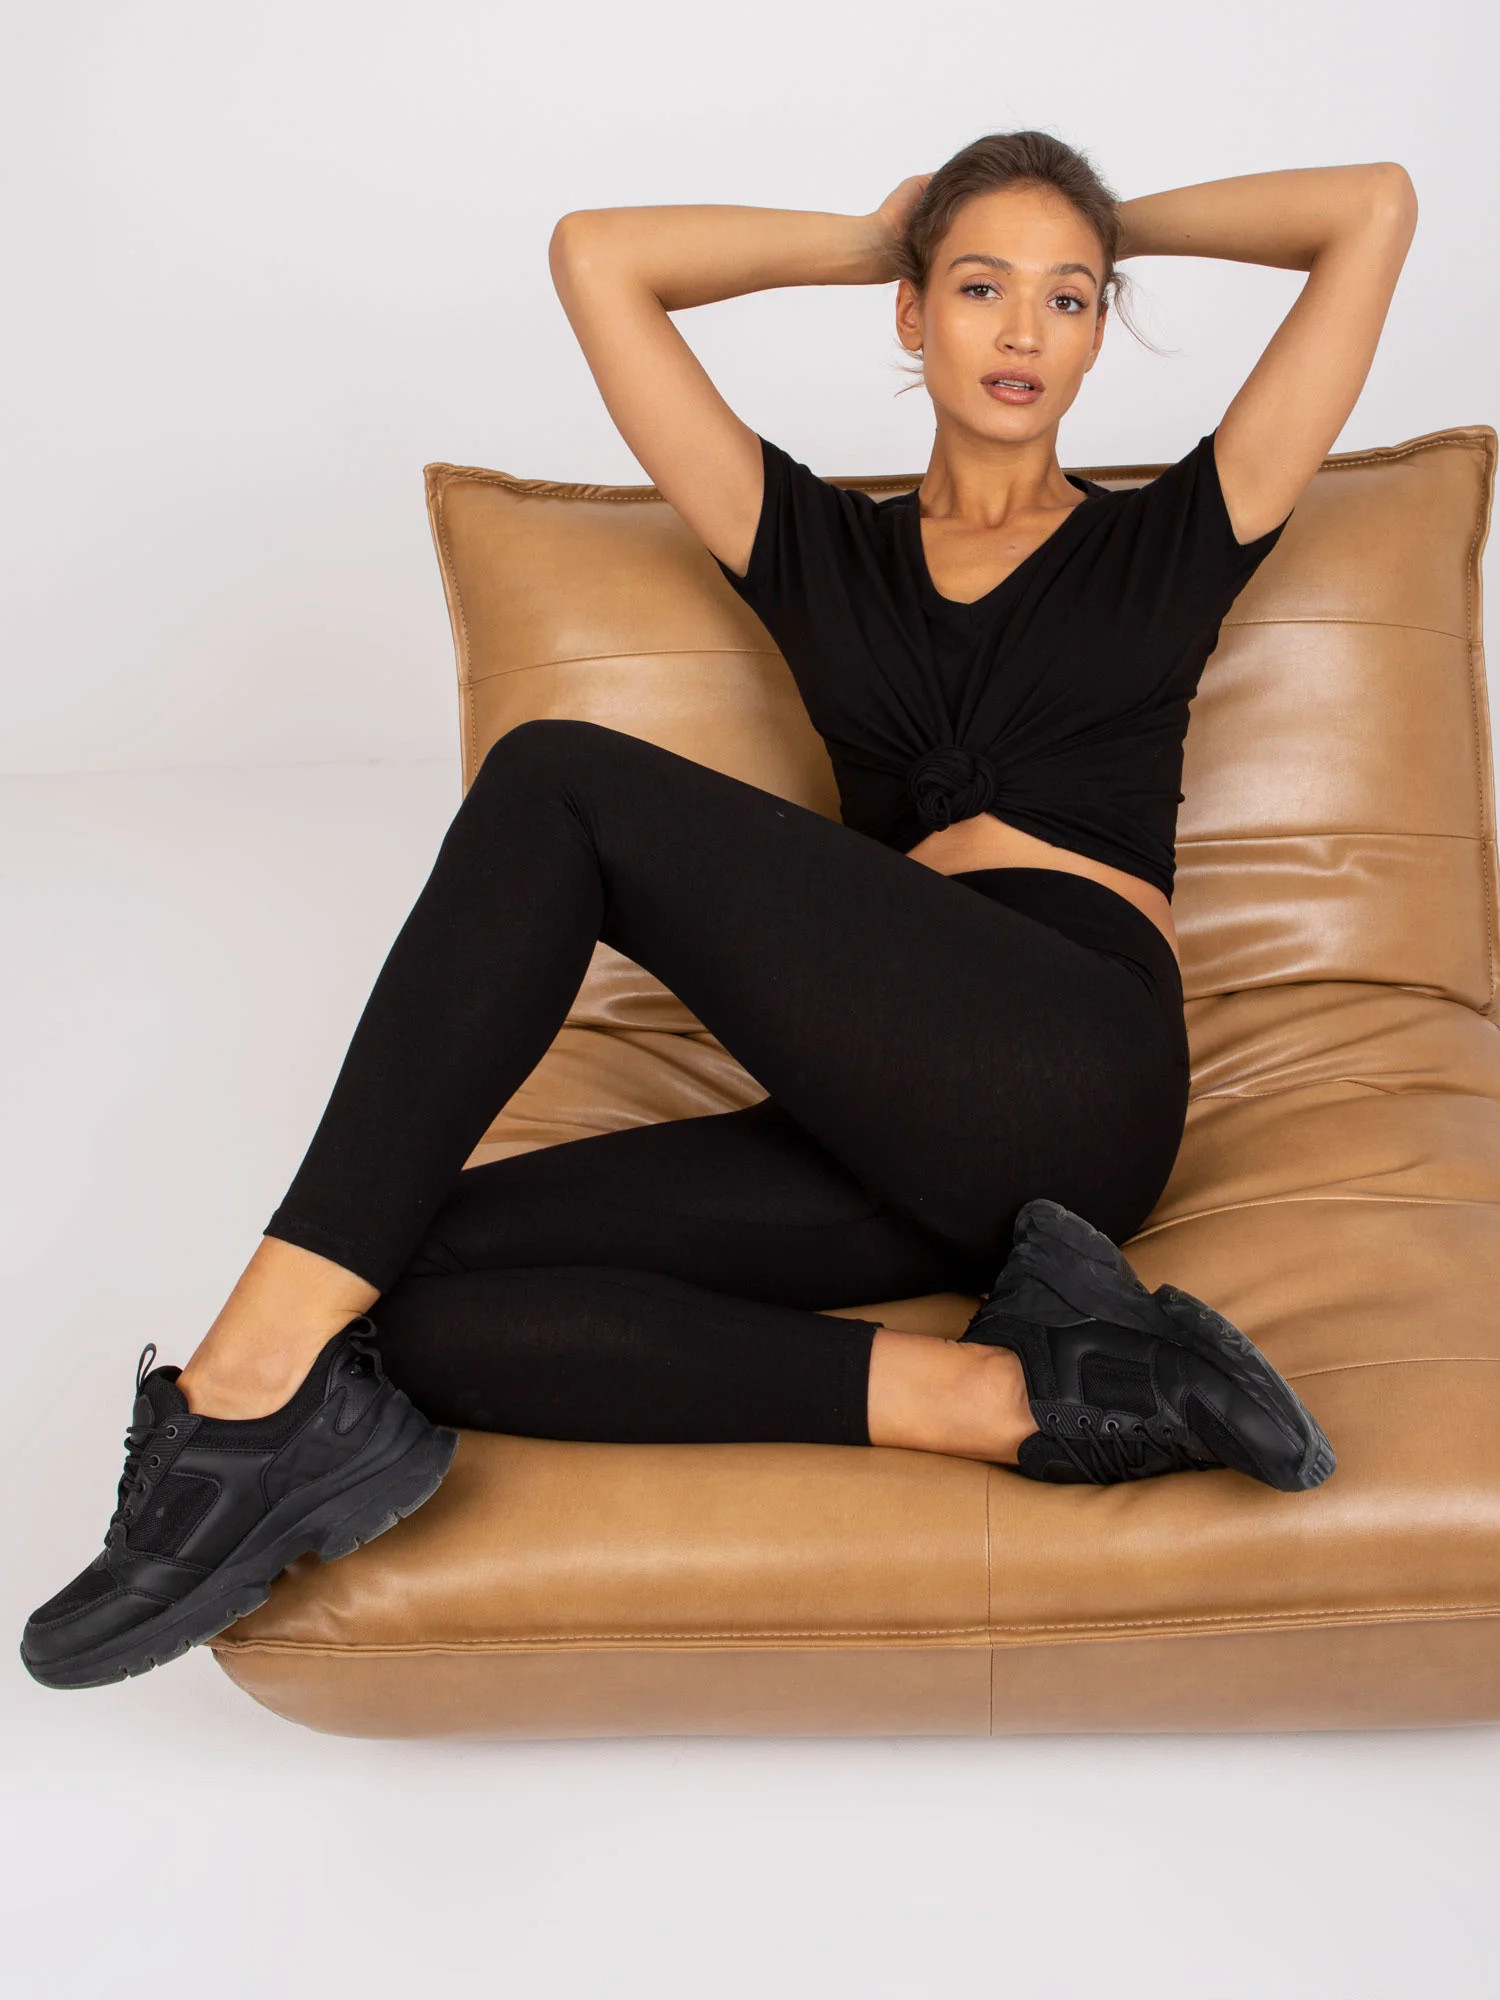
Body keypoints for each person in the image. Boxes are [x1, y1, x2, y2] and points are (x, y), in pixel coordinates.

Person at [23, 132, 1419, 1693]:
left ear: (1102, 329)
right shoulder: (816, 548)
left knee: (556, 779)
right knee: (406, 1292)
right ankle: (1035, 1396)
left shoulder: (1175, 535)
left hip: (1075, 1069)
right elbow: (597, 257)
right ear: (913, 314)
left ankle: (236, 1390)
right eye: (979, 288)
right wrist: (881, 233)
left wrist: (1100, 221)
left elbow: (1369, 210)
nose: (1025, 328)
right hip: (889, 1138)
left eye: (1070, 298)